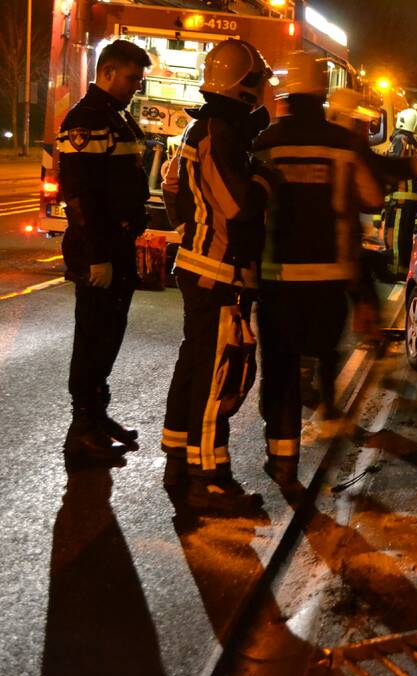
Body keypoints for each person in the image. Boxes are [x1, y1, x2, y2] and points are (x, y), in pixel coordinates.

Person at [252, 52, 386, 483]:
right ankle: (322, 414)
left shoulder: (265, 141)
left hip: (276, 276)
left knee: (280, 366)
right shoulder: (342, 144)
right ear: (323, 93)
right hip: (329, 276)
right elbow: (372, 198)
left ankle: (281, 457)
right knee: (326, 350)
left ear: (286, 94)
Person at [160, 38, 273, 511]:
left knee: (195, 366)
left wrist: (193, 230)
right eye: (260, 82)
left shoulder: (203, 128)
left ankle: (178, 459)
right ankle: (208, 479)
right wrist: (265, 179)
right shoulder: (220, 132)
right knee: (216, 376)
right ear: (246, 85)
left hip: (201, 265)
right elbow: (238, 204)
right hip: (218, 273)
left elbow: (170, 187)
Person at [58, 40, 151, 461]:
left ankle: (97, 416)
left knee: (109, 334)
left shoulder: (115, 116)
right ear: (108, 72)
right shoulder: (86, 120)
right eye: (132, 78)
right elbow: (80, 197)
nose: (136, 86)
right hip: (99, 249)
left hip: (117, 244)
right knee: (93, 337)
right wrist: (98, 256)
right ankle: (82, 429)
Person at [382, 108, 417, 279]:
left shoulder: (399, 140)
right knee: (405, 238)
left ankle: (393, 271)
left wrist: (384, 196)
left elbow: (391, 169)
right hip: (412, 200)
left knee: (394, 237)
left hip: (399, 199)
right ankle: (402, 271)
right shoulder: (416, 146)